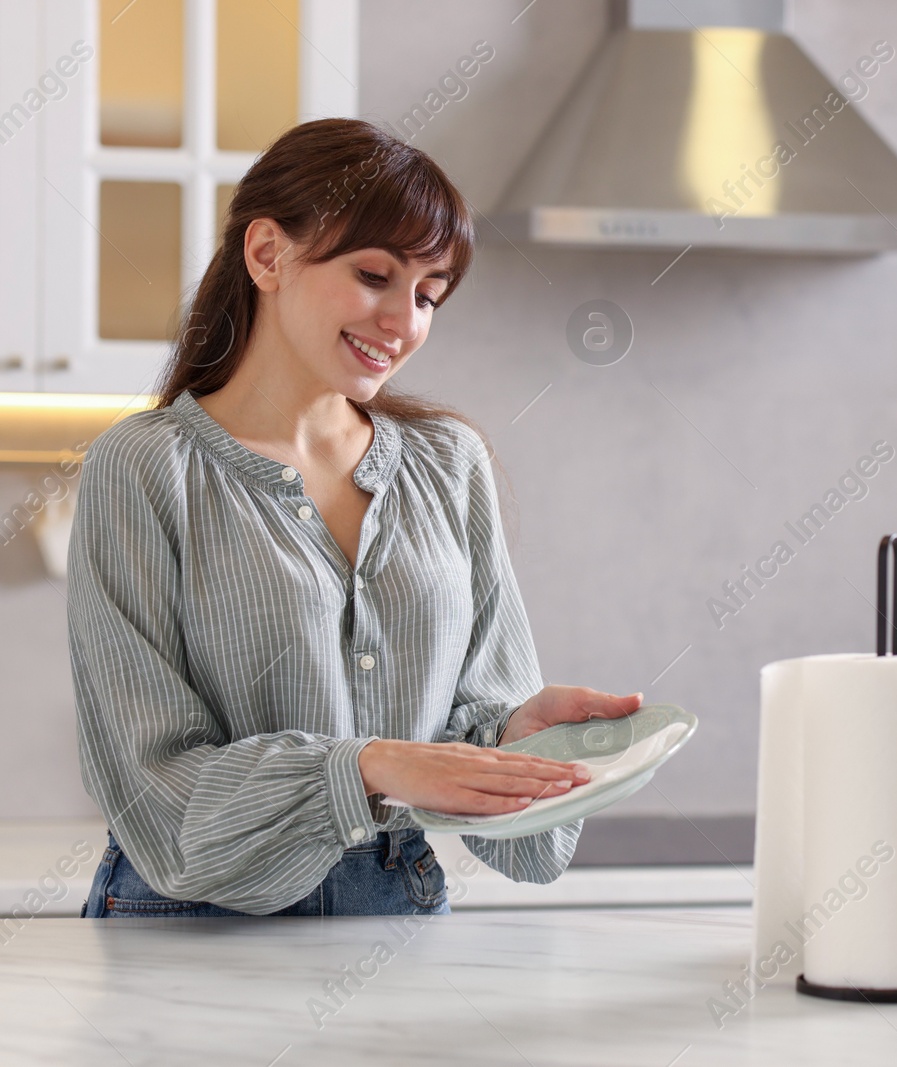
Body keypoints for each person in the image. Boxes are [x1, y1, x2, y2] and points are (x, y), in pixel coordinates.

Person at [69, 118, 640, 917]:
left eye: (428, 295)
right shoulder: (145, 469)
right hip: (191, 920)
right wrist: (365, 768)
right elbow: (153, 792)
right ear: (268, 254)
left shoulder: (449, 465)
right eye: (375, 274)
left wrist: (514, 737)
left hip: (395, 906)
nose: (404, 323)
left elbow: (463, 759)